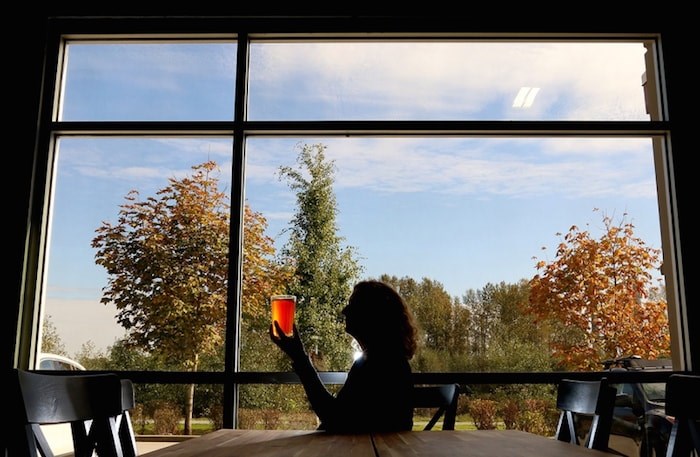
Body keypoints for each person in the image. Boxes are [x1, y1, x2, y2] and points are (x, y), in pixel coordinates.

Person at [270, 280, 418, 433]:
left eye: (352, 304)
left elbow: (335, 417)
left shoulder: (380, 364)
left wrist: (300, 358)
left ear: (372, 314)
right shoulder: (384, 360)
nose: (344, 311)